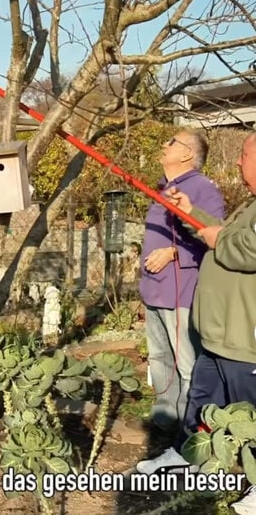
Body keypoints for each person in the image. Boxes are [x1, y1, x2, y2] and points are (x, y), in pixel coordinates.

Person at [137, 133, 256, 514]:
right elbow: (218, 233)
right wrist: (192, 214)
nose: (237, 162)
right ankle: (189, 455)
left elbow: (243, 249)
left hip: (244, 337)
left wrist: (217, 237)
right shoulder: (249, 206)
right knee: (202, 405)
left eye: (244, 155)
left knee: (250, 414)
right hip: (219, 334)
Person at [138, 131, 224, 433]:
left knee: (187, 365)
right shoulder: (164, 189)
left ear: (188, 154)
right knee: (159, 358)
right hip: (154, 289)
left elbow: (216, 237)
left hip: (181, 290)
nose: (164, 144)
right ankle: (165, 420)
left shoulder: (202, 189)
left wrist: (174, 252)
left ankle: (192, 428)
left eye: (172, 142)